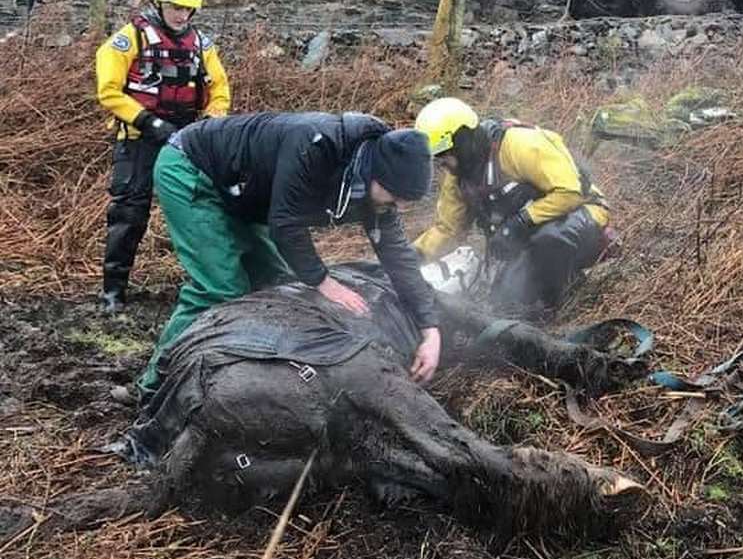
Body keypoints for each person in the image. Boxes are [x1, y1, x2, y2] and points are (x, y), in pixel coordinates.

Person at [136, 111, 440, 398]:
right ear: (379, 175)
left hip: (244, 195)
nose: (397, 207)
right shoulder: (317, 145)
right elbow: (285, 225)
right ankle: (154, 384)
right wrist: (324, 282)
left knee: (274, 283)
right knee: (220, 288)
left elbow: (399, 257)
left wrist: (430, 330)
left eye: (405, 202)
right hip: (192, 168)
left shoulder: (375, 185)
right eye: (396, 197)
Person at [96, 0, 230, 313]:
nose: (182, 15)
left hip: (188, 140)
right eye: (175, 7)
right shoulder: (128, 40)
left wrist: (210, 126)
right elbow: (109, 91)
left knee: (199, 209)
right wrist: (149, 121)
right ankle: (113, 289)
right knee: (129, 211)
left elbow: (219, 90)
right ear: (155, 0)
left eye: (188, 10)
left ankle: (206, 281)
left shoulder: (202, 45)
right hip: (140, 137)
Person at [414, 96, 611, 314]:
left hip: (582, 213)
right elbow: (448, 229)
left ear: (462, 140)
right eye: (436, 157)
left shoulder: (520, 145)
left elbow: (570, 193)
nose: (442, 162)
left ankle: (557, 303)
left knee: (550, 241)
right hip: (530, 235)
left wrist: (520, 222)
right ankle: (547, 282)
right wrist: (412, 256)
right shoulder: (459, 176)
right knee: (505, 300)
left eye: (444, 153)